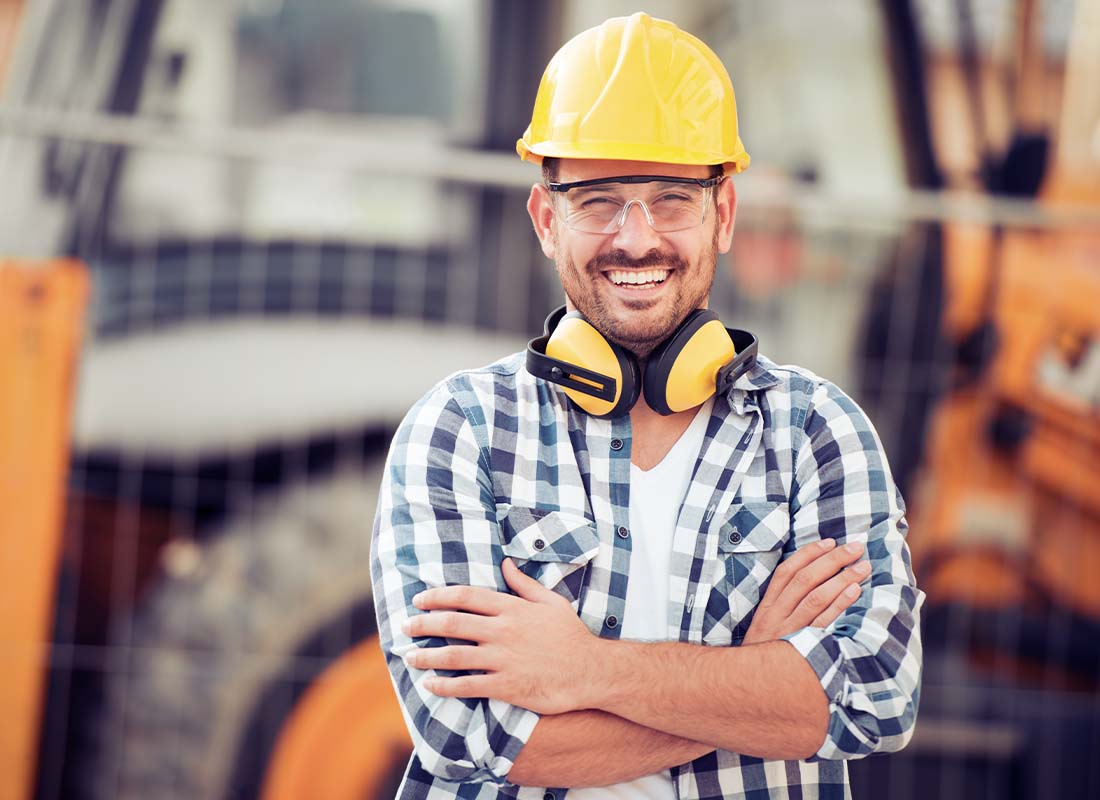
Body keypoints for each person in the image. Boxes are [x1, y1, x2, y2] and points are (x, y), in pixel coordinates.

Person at [371, 12, 923, 799]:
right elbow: (473, 735)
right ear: (546, 218)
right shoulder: (459, 431)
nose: (637, 238)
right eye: (597, 200)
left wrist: (583, 669)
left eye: (672, 199)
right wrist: (753, 678)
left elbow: (873, 698)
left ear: (722, 216)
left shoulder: (818, 435)